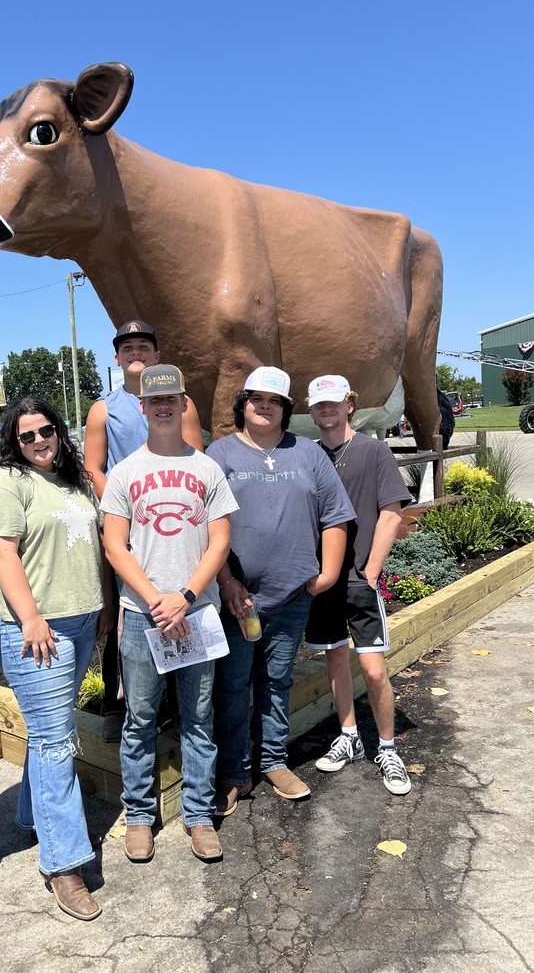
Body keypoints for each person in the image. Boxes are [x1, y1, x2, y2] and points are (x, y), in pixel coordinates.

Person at [0, 397, 111, 920]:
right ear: (14, 439)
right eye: (27, 434)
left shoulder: (73, 480)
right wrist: (31, 618)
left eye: (46, 431)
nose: (38, 441)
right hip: (37, 630)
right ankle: (64, 864)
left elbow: (97, 545)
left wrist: (101, 606)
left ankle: (32, 814)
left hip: (80, 622)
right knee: (57, 741)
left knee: (46, 731)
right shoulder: (7, 483)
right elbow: (1, 552)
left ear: (60, 432)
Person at [101, 364, 238, 863]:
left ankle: (198, 813)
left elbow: (220, 539)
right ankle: (139, 814)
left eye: (172, 399)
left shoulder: (206, 468)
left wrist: (184, 594)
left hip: (197, 612)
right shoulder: (125, 472)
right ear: (142, 407)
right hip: (141, 615)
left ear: (184, 405)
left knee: (198, 716)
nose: (163, 407)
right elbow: (115, 546)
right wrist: (157, 599)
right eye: (154, 400)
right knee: (140, 717)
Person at [206, 367, 355, 817]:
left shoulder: (309, 454)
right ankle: (234, 772)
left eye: (273, 400)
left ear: (286, 408)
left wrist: (327, 574)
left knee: (276, 681)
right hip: (238, 599)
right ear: (243, 405)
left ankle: (272, 760)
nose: (263, 405)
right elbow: (207, 528)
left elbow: (335, 515)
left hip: (292, 596)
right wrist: (227, 581)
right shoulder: (220, 454)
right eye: (255, 398)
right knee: (232, 686)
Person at [83, 320, 204, 742]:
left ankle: (173, 698)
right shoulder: (103, 408)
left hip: (172, 522)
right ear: (116, 358)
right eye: (127, 347)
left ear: (156, 355)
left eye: (144, 346)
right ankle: (120, 704)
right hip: (125, 528)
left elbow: (196, 460)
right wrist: (123, 508)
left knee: (175, 601)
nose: (136, 353)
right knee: (125, 613)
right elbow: (93, 468)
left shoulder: (181, 403)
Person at [304, 374, 413, 795]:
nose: (326, 409)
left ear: (349, 405)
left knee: (373, 668)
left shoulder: (374, 451)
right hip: (321, 581)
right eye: (319, 404)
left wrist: (371, 570)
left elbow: (391, 514)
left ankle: (387, 747)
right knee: (334, 660)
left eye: (333, 402)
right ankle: (348, 735)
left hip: (358, 581)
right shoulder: (308, 456)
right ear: (311, 411)